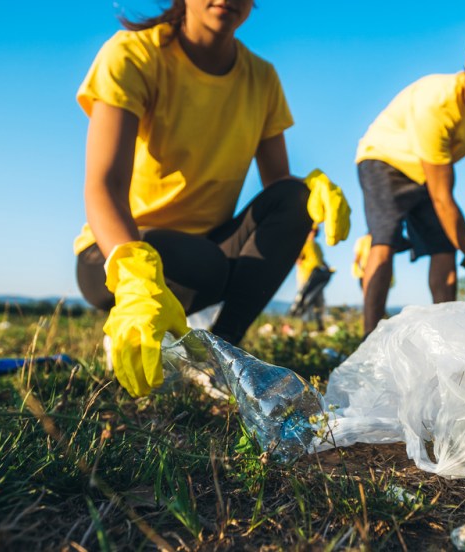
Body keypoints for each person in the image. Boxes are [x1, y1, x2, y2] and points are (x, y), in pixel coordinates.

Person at [74, 0, 350, 397]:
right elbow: (103, 185)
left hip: (208, 254)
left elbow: (278, 186)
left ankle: (219, 355)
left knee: (295, 197)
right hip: (114, 252)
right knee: (203, 263)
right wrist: (135, 280)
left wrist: (313, 196)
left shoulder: (262, 78)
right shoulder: (133, 53)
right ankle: (136, 322)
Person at [355, 32, 465, 335]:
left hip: (428, 171)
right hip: (384, 160)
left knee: (444, 250)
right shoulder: (436, 104)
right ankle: (368, 339)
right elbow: (442, 197)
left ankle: (446, 336)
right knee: (384, 241)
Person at [292, 227, 331, 330]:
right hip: (306, 277)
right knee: (305, 300)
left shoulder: (317, 246)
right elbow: (298, 259)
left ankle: (320, 325)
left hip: (317, 277)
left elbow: (321, 260)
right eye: (311, 231)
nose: (313, 233)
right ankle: (302, 326)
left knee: (319, 301)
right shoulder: (303, 244)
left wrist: (328, 268)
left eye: (315, 231)